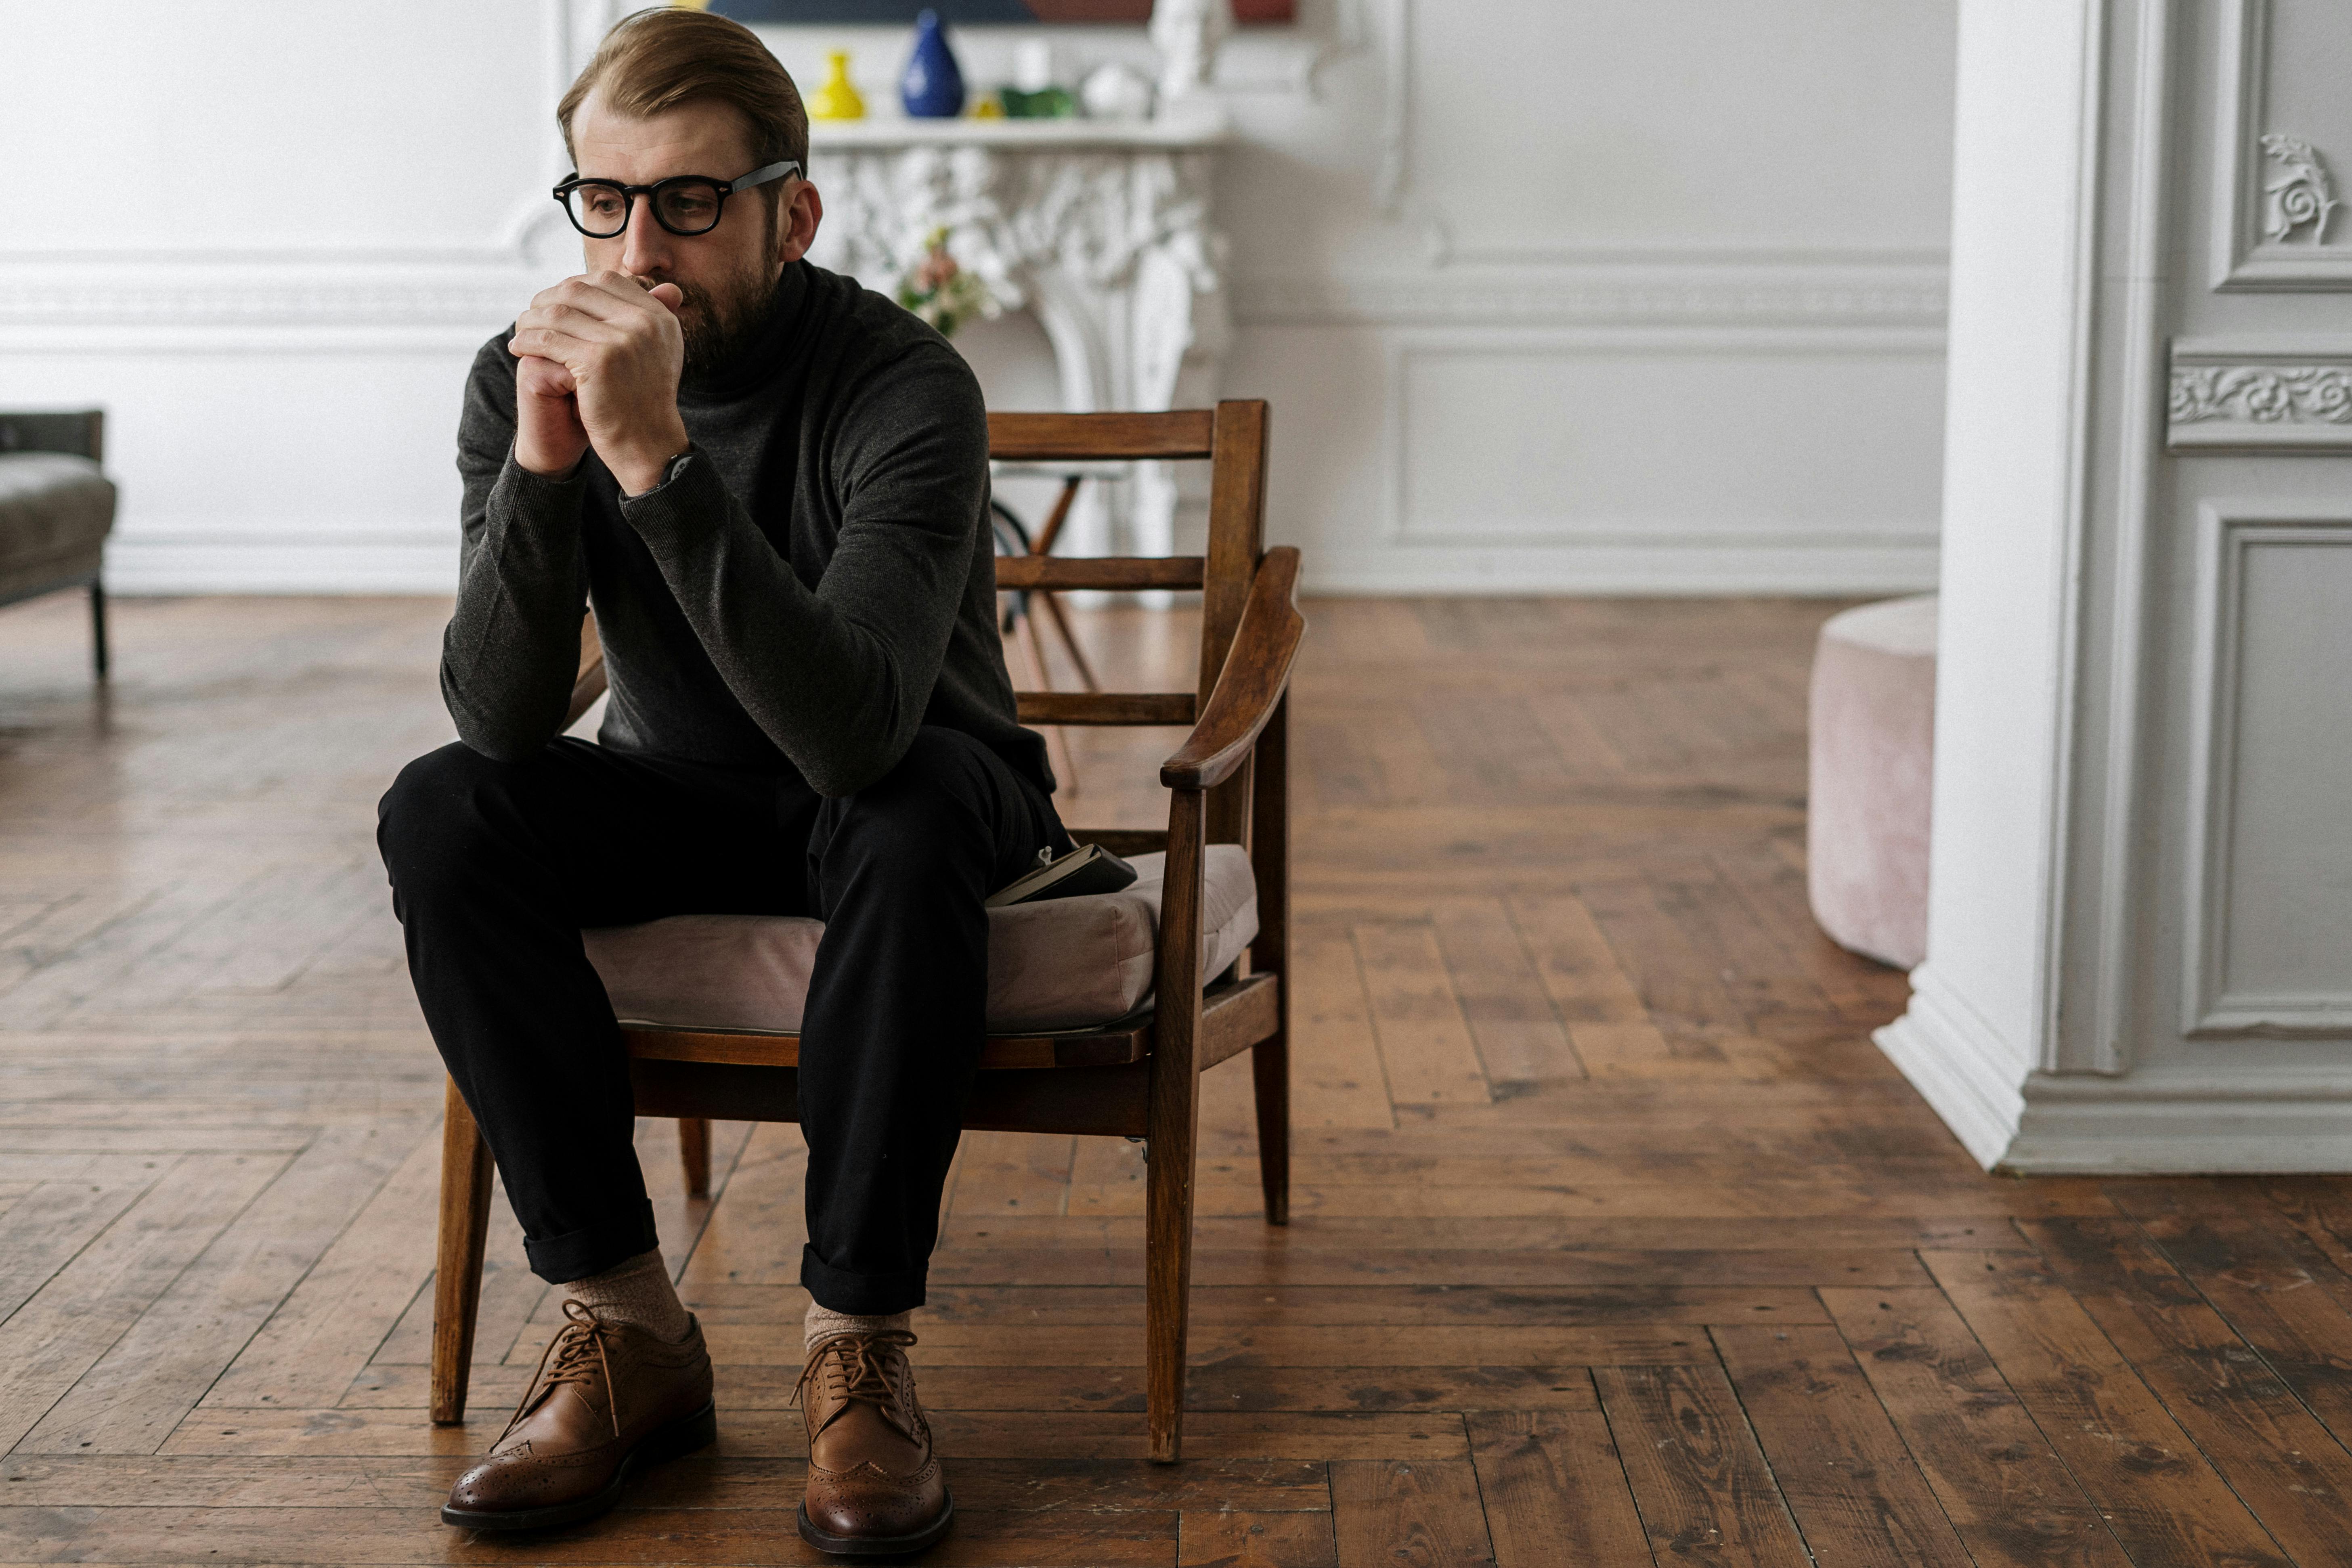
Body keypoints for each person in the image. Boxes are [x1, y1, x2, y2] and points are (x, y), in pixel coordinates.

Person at [375, 7, 1063, 1555]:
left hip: (913, 789)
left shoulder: (907, 386)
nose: (639, 251)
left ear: (791, 210)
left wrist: (659, 464)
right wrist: (551, 463)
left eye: (690, 201)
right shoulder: (526, 375)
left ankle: (858, 1347)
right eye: (603, 201)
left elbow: (853, 737)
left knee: (902, 809)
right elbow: (496, 717)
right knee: (443, 804)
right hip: (687, 793)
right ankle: (627, 1331)